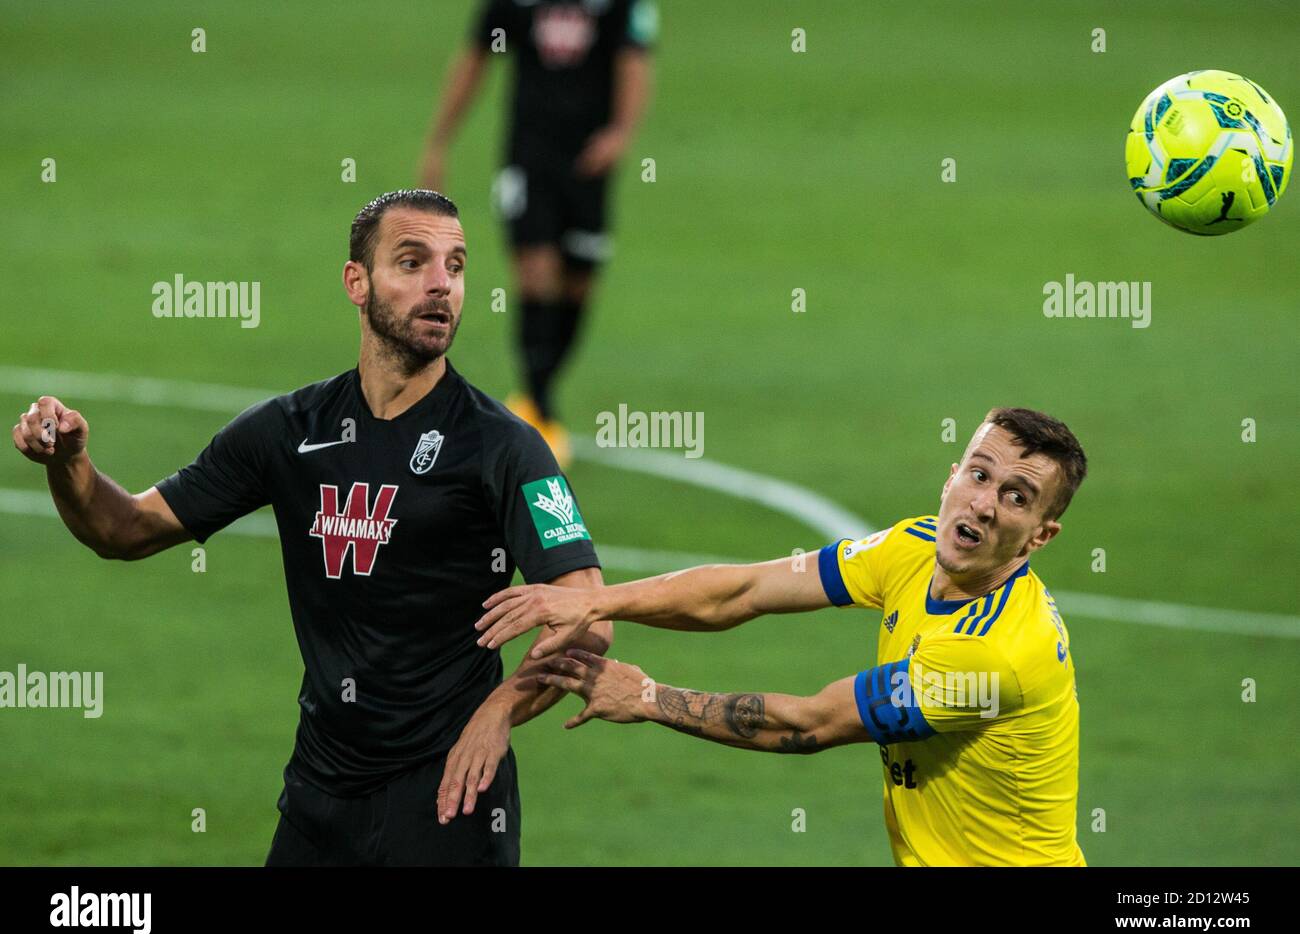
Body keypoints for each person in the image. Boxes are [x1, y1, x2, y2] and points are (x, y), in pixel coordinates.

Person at [11, 189, 611, 866]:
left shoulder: (502, 447)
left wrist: (500, 711)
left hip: (452, 803)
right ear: (357, 282)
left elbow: (589, 612)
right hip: (319, 801)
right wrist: (70, 463)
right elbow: (124, 530)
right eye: (412, 262)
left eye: (457, 265)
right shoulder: (290, 432)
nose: (441, 283)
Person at [474, 409, 1089, 865]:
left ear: (1040, 536)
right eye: (980, 476)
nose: (983, 505)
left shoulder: (993, 655)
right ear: (951, 477)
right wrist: (596, 600)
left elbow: (809, 725)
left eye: (1016, 497)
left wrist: (646, 697)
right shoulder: (913, 548)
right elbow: (744, 590)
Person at [421, 0, 657, 465]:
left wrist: (620, 134)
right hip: (529, 157)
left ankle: (538, 393)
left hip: (589, 164)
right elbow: (475, 58)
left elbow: (634, 59)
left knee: (578, 285)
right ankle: (540, 410)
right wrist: (440, 141)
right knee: (535, 274)